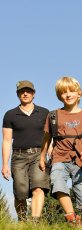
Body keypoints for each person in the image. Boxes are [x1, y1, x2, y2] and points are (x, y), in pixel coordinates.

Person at [39, 77, 82, 229]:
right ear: (59, 95)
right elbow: (46, 139)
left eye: (71, 91)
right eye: (63, 92)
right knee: (57, 184)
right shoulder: (53, 116)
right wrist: (42, 157)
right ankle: (72, 218)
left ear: (79, 93)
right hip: (59, 157)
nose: (68, 94)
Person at [2, 80, 50, 221]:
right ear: (18, 94)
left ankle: (34, 222)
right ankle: (23, 221)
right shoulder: (10, 115)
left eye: (28, 91)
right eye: (22, 91)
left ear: (33, 94)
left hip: (38, 155)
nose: (25, 93)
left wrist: (50, 152)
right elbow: (6, 140)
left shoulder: (44, 112)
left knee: (38, 187)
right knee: (20, 193)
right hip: (18, 156)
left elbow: (49, 137)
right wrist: (5, 164)